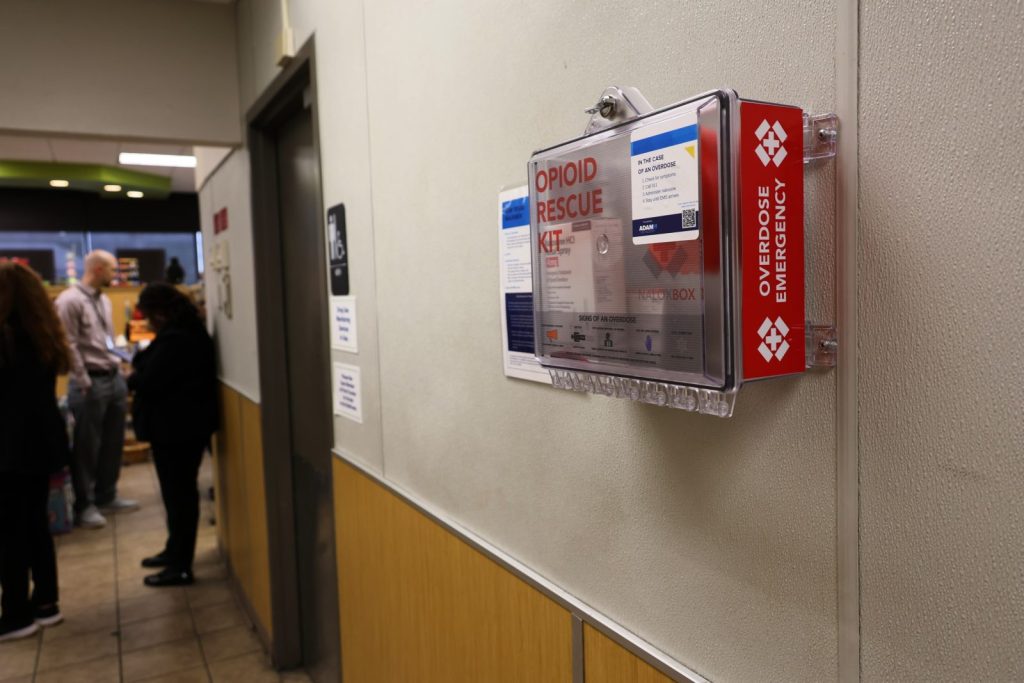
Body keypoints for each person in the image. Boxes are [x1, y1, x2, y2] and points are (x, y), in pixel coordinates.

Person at [129, 284, 218, 587]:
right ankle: (174, 552)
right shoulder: (185, 332)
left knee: (180, 496)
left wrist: (136, 373)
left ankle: (180, 564)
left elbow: (146, 378)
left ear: (159, 313)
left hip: (179, 430)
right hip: (180, 428)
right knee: (175, 495)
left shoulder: (178, 339)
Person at [0, 263, 69, 641]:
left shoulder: (4, 337)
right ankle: (46, 603)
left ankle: (15, 614)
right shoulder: (44, 335)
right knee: (35, 525)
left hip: (9, 447)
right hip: (41, 443)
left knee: (10, 533)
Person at [55, 250, 137, 529]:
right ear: (99, 269)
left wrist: (120, 363)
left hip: (112, 376)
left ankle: (106, 494)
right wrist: (83, 380)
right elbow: (69, 344)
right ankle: (84, 503)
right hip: (89, 380)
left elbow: (104, 340)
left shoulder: (101, 300)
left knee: (113, 440)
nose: (115, 276)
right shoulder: (70, 301)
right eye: (113, 270)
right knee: (87, 445)